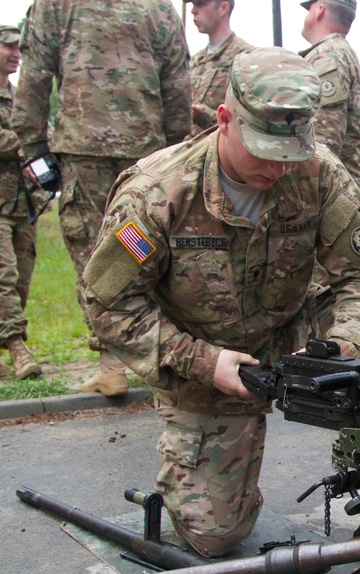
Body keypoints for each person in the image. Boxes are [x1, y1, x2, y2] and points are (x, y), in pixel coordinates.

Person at [82, 48, 360, 570]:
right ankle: (207, 468)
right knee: (215, 537)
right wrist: (202, 362)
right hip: (204, 361)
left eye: (290, 152)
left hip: (291, 334)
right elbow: (107, 304)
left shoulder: (318, 174)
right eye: (264, 151)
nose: (277, 168)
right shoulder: (156, 194)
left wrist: (343, 348)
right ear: (225, 119)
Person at [12, 0, 191, 396]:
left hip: (83, 150)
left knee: (94, 253)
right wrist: (175, 151)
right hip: (146, 155)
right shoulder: (159, 9)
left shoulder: (56, 5)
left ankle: (112, 365)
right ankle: (160, 355)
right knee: (146, 248)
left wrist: (34, 147)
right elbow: (178, 85)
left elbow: (35, 76)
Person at [0, 24, 42, 381]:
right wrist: (27, 142)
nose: (16, 55)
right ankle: (16, 346)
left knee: (22, 281)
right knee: (4, 277)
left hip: (26, 204)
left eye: (19, 49)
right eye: (9, 47)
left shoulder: (20, 99)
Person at [299, 0, 360, 197]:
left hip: (331, 192)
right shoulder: (339, 52)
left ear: (319, 10)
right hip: (342, 187)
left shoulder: (327, 56)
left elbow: (323, 140)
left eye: (309, 9)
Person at [186, 0, 254, 135]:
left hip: (219, 145)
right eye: (193, 5)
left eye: (200, 4)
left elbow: (248, 123)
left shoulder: (245, 57)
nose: (193, 11)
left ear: (223, 8)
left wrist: (203, 115)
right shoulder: (195, 60)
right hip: (191, 146)